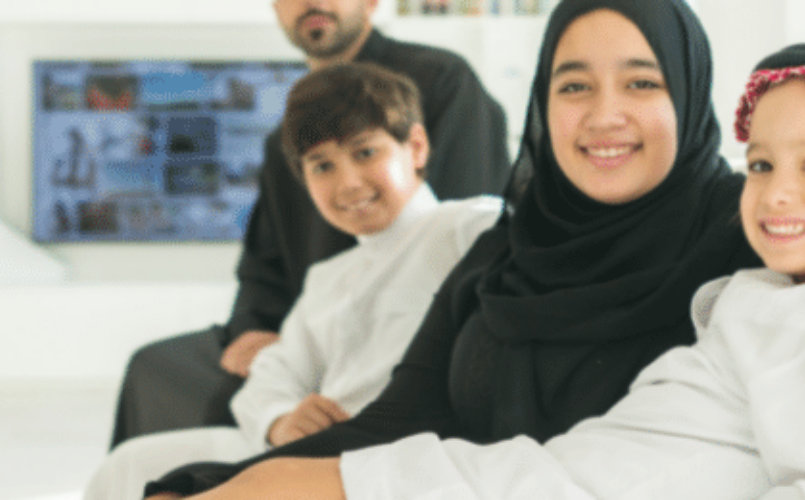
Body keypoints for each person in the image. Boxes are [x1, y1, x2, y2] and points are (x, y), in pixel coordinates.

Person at [143, 0, 805, 497]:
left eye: (642, 83)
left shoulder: (750, 233)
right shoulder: (503, 251)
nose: (603, 115)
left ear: (688, 97)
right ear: (542, 104)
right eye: (573, 84)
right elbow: (403, 415)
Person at [87, 63, 503, 500]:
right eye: (322, 166)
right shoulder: (328, 279)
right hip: (313, 447)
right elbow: (272, 376)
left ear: (415, 146)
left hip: (390, 458)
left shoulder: (468, 227)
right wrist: (279, 420)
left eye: (365, 153)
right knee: (127, 466)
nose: (347, 183)